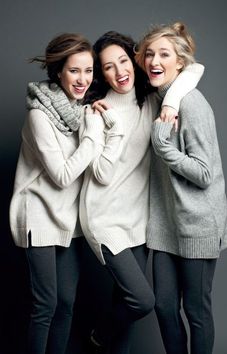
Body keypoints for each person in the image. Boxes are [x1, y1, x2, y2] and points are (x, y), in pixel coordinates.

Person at [80, 30, 204, 354]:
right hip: (104, 220)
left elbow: (194, 69)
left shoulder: (151, 99)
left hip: (139, 221)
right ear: (101, 72)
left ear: (134, 61)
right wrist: (116, 131)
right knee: (142, 300)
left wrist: (173, 101)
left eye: (123, 61)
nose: (119, 71)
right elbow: (101, 174)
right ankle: (96, 337)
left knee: (126, 306)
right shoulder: (96, 113)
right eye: (108, 67)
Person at [9, 33, 124, 354]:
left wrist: (101, 125)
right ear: (58, 71)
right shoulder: (39, 116)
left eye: (89, 71)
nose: (83, 79)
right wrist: (91, 134)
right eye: (75, 71)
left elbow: (96, 169)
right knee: (45, 306)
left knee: (67, 305)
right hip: (38, 218)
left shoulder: (81, 113)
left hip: (67, 221)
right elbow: (61, 176)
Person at [135, 22, 227, 354]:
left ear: (180, 63)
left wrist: (163, 146)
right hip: (165, 225)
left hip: (198, 225)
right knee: (163, 308)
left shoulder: (191, 104)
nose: (154, 60)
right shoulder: (158, 98)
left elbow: (204, 174)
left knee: (196, 312)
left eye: (164, 54)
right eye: (149, 53)